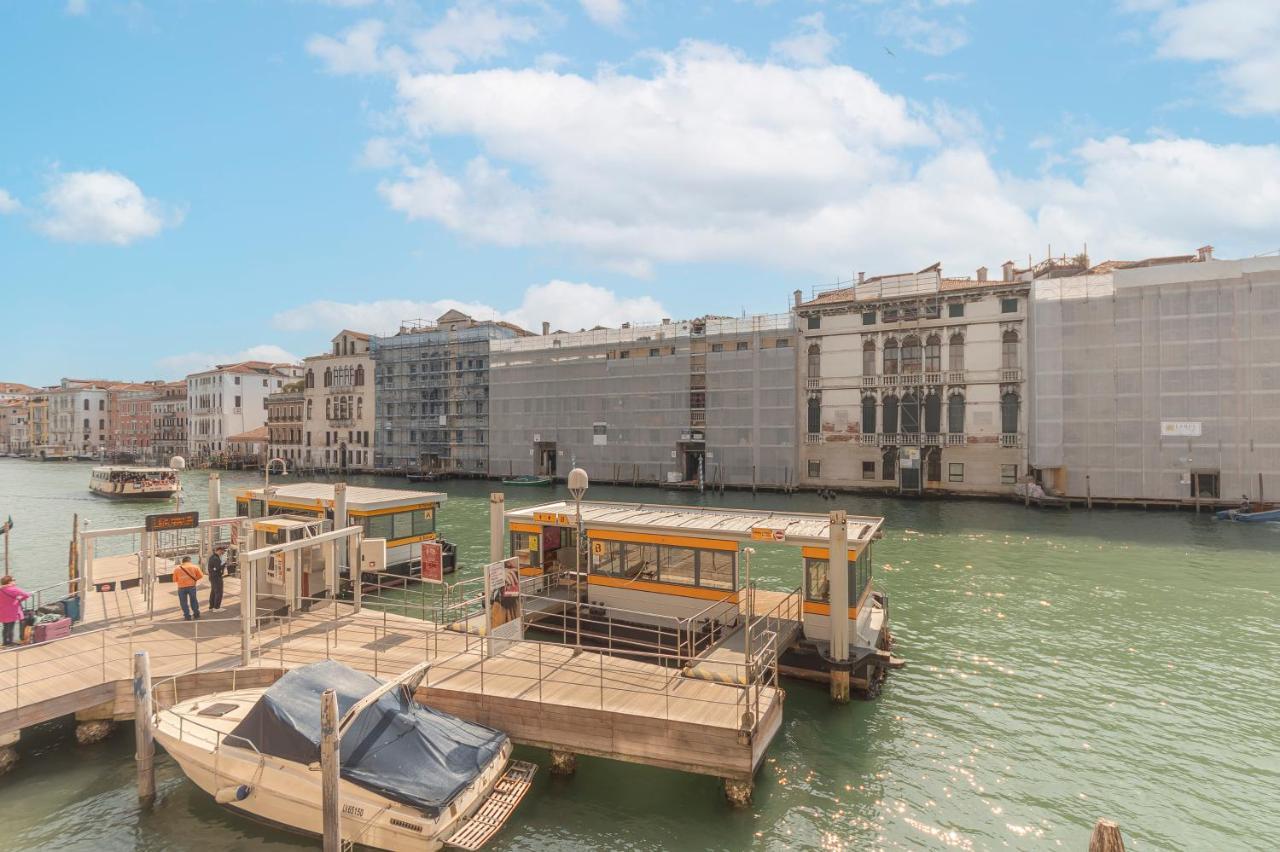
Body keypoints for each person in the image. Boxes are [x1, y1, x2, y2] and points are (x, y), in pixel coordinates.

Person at [1, 575, 31, 646]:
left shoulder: (1, 589)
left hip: (2, 610)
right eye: (13, 580)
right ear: (9, 582)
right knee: (11, 626)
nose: (14, 581)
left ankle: (5, 642)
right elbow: (26, 595)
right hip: (12, 610)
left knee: (5, 626)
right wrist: (19, 599)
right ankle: (10, 642)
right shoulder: (14, 589)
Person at [173, 556, 204, 621]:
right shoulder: (195, 567)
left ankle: (187, 616)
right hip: (192, 586)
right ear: (189, 561)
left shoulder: (177, 569)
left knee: (183, 602)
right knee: (193, 600)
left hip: (181, 587)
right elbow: (201, 575)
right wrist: (194, 579)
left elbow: (175, 580)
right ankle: (196, 614)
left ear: (182, 562)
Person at [207, 545, 227, 611]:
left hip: (212, 577)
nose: (223, 553)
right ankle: (216, 607)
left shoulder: (212, 557)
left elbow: (214, 568)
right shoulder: (216, 559)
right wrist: (223, 565)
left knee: (213, 592)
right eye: (223, 551)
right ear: (220, 550)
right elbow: (218, 569)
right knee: (219, 592)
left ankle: (211, 607)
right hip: (217, 577)